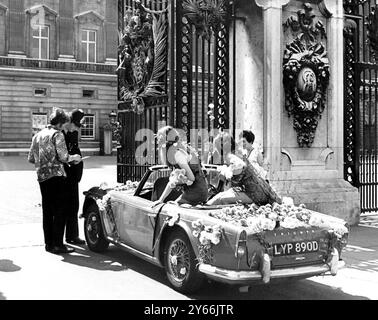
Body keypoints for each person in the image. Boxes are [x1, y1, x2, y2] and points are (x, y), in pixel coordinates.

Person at [28, 108, 81, 254]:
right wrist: (75, 158)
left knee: (47, 211)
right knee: (60, 211)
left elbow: (31, 158)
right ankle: (58, 244)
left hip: (42, 177)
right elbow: (64, 157)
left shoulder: (37, 135)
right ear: (60, 123)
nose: (64, 126)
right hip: (57, 176)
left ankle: (48, 244)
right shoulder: (57, 135)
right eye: (64, 123)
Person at [207, 132, 281, 206]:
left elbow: (239, 165)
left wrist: (227, 173)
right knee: (221, 196)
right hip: (259, 191)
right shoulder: (237, 153)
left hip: (254, 194)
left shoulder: (229, 156)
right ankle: (206, 206)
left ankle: (205, 208)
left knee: (220, 199)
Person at [152, 126, 208, 207]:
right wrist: (161, 200)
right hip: (196, 191)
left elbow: (191, 178)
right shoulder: (176, 152)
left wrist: (179, 181)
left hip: (196, 192)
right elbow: (173, 181)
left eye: (159, 139)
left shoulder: (177, 154)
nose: (158, 143)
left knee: (172, 209)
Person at [62, 109, 86, 245]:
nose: (77, 128)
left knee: (74, 204)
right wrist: (72, 159)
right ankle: (65, 237)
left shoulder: (73, 131)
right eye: (76, 125)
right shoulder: (61, 134)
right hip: (64, 173)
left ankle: (72, 235)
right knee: (65, 205)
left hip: (73, 174)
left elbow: (75, 149)